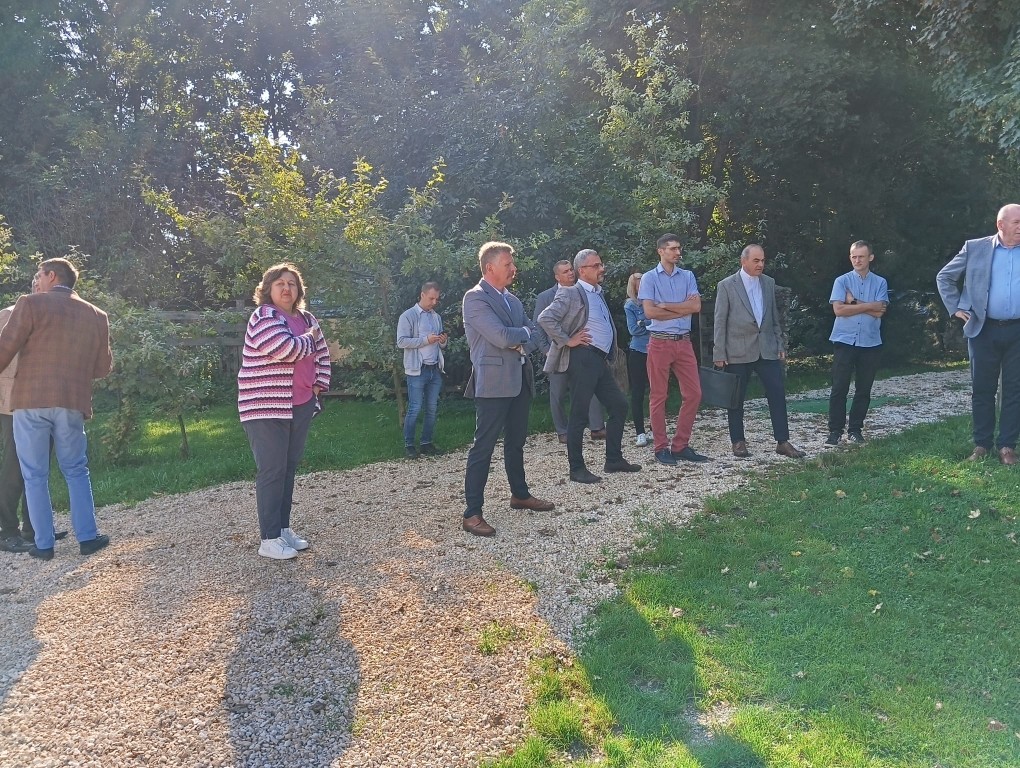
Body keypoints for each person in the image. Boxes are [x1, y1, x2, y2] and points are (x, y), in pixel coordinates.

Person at [0, 257, 113, 560]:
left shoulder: (30, 304)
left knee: (34, 474)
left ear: (52, 276)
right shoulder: (96, 314)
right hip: (71, 401)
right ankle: (87, 537)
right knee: (76, 470)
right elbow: (103, 367)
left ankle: (43, 544)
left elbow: (4, 349)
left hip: (30, 401)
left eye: (39, 275)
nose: (36, 280)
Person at [462, 241, 555, 537]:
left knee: (516, 443)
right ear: (490, 268)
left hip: (519, 380)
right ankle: (472, 513)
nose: (514, 268)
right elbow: (501, 336)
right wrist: (520, 335)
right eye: (508, 264)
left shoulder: (512, 300)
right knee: (483, 447)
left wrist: (520, 340)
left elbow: (535, 333)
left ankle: (520, 495)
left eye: (512, 264)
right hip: (492, 383)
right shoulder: (474, 299)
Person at [239, 263, 331, 560]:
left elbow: (323, 355)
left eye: (292, 283)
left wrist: (318, 386)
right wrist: (310, 338)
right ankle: (268, 539)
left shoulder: (307, 319)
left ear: (299, 290)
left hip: (300, 404)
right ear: (268, 289)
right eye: (280, 283)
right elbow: (286, 349)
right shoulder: (264, 316)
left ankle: (282, 529)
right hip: (265, 406)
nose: (287, 288)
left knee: (288, 468)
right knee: (272, 470)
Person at [537, 249, 641, 483]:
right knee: (579, 413)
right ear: (581, 270)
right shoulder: (572, 292)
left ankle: (613, 459)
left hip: (598, 360)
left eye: (601, 264)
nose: (601, 269)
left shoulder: (597, 292)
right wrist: (567, 340)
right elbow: (545, 318)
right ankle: (576, 469)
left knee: (619, 405)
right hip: (583, 358)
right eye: (596, 265)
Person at [936, 203, 1020, 465]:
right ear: (1000, 225)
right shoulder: (975, 248)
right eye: (1017, 222)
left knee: (1014, 390)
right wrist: (955, 308)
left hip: (1018, 330)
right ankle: (982, 445)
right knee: (982, 389)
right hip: (983, 329)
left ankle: (1007, 447)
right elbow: (944, 277)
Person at [713, 244, 806, 459]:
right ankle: (738, 441)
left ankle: (782, 441)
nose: (761, 264)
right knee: (736, 398)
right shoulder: (727, 285)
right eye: (756, 260)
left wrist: (779, 344)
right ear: (743, 261)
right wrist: (719, 352)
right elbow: (720, 321)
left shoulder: (768, 282)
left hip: (766, 348)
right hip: (737, 349)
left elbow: (773, 317)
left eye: (763, 260)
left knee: (777, 393)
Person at [638, 234, 709, 466]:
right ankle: (661, 447)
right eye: (673, 248)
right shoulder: (649, 278)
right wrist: (682, 309)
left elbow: (696, 306)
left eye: (679, 248)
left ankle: (680, 445)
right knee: (659, 396)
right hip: (659, 342)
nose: (678, 252)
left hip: (684, 342)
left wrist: (667, 306)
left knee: (694, 393)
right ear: (661, 251)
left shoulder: (687, 276)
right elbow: (650, 312)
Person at [532, 260, 605, 443]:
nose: (570, 273)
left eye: (571, 269)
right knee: (557, 393)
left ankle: (597, 427)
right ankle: (563, 431)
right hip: (558, 351)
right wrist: (546, 349)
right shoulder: (545, 297)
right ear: (557, 277)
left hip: (583, 349)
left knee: (590, 387)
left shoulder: (584, 291)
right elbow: (538, 326)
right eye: (565, 271)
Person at [825, 241, 889, 446]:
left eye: (861, 256)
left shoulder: (880, 282)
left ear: (870, 257)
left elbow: (881, 312)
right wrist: (869, 306)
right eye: (854, 256)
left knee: (863, 389)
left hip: (870, 342)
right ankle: (835, 431)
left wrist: (853, 302)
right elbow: (838, 310)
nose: (857, 260)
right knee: (839, 388)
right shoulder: (842, 281)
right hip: (844, 340)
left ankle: (855, 430)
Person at [396, 282, 448, 458]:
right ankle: (409, 445)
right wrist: (426, 340)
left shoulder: (436, 317)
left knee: (432, 408)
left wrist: (442, 341)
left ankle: (426, 443)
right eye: (431, 298)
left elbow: (439, 344)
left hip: (434, 368)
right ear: (422, 294)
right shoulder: (408, 316)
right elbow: (401, 341)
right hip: (417, 370)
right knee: (415, 408)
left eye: (436, 299)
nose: (434, 302)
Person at [624, 270, 651, 447]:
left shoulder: (653, 301)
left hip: (655, 350)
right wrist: (650, 323)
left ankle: (656, 427)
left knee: (658, 391)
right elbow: (633, 329)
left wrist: (644, 323)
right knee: (638, 393)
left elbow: (661, 321)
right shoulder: (630, 305)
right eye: (638, 283)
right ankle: (640, 432)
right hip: (638, 351)